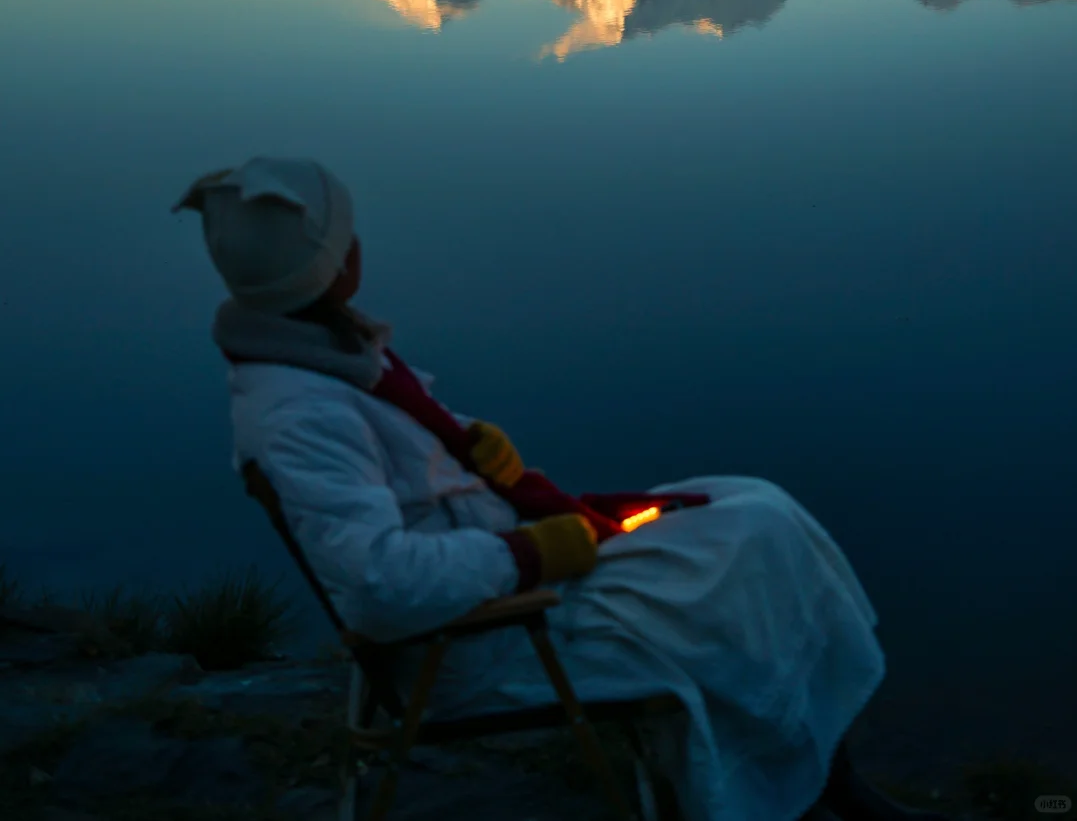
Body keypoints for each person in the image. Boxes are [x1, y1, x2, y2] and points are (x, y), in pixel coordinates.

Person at [176, 157, 944, 821]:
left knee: (748, 506)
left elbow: (402, 465)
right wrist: (527, 552)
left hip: (503, 587)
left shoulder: (320, 350)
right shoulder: (300, 414)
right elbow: (379, 585)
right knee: (754, 557)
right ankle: (804, 787)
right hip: (487, 635)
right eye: (344, 238)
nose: (357, 246)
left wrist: (478, 448)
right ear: (325, 263)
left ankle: (818, 773)